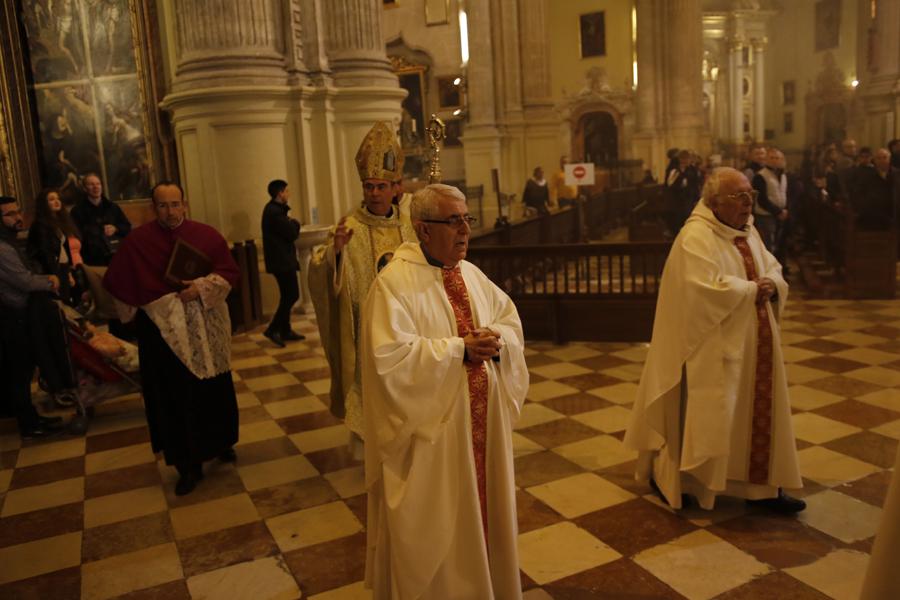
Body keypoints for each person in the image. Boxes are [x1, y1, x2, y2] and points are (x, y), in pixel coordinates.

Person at [362, 184, 528, 599]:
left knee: (486, 514)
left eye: (466, 219)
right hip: (433, 438)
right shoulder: (393, 284)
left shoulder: (471, 274)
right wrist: (459, 350)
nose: (465, 230)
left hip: (481, 430)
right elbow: (388, 359)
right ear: (423, 229)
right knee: (440, 527)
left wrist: (497, 340)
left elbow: (509, 320)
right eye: (453, 221)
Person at [624, 167, 805, 514]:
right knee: (713, 417)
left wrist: (772, 283)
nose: (748, 203)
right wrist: (752, 289)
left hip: (756, 343)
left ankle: (762, 490)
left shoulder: (748, 230)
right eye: (739, 196)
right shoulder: (695, 237)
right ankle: (693, 484)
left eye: (751, 195)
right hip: (710, 349)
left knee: (757, 414)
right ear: (714, 201)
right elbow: (700, 290)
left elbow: (771, 266)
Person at [103, 181, 240, 496]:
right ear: (154, 208)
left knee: (212, 389)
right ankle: (186, 464)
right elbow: (117, 280)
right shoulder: (138, 241)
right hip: (161, 332)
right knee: (173, 396)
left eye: (175, 204)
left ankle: (220, 442)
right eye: (162, 205)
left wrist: (200, 288)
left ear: (184, 205)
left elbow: (229, 273)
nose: (170, 211)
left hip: (205, 327)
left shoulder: (206, 235)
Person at [308, 121, 416, 449]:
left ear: (395, 188)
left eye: (381, 186)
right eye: (369, 186)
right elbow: (320, 269)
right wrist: (337, 252)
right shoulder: (348, 227)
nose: (374, 193)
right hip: (366, 331)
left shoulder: (410, 225)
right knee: (372, 393)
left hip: (409, 326)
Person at [0, 196, 65, 439]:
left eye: (17, 212)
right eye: (10, 214)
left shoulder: (9, 243)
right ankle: (28, 425)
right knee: (20, 373)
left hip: (18, 315)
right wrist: (50, 281)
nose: (18, 217)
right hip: (11, 318)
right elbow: (24, 281)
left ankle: (31, 418)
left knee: (24, 371)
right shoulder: (2, 248)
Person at [261, 179, 304, 347]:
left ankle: (285, 330)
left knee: (287, 295)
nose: (288, 194)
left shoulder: (275, 210)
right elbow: (292, 233)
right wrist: (295, 222)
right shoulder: (275, 212)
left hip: (281, 260)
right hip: (282, 261)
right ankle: (273, 329)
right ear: (280, 193)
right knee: (292, 295)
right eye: (287, 191)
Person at [27, 187, 84, 307]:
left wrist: (68, 272)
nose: (57, 201)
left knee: (69, 302)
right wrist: (55, 275)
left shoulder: (60, 222)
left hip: (63, 268)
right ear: (44, 204)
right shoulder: (40, 225)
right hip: (51, 271)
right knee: (60, 304)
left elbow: (64, 248)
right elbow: (45, 253)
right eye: (52, 199)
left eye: (58, 199)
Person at [70, 172, 131, 267]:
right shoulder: (77, 211)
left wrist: (115, 228)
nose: (96, 187)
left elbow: (127, 227)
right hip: (92, 259)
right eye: (91, 184)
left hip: (116, 255)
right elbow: (77, 235)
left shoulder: (112, 207)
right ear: (85, 188)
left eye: (98, 184)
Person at [751, 148, 789, 255]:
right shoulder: (760, 176)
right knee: (768, 246)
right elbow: (761, 199)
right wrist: (778, 212)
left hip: (780, 215)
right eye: (772, 158)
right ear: (766, 160)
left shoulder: (783, 175)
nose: (775, 160)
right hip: (766, 216)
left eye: (777, 158)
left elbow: (784, 194)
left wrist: (785, 210)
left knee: (778, 245)